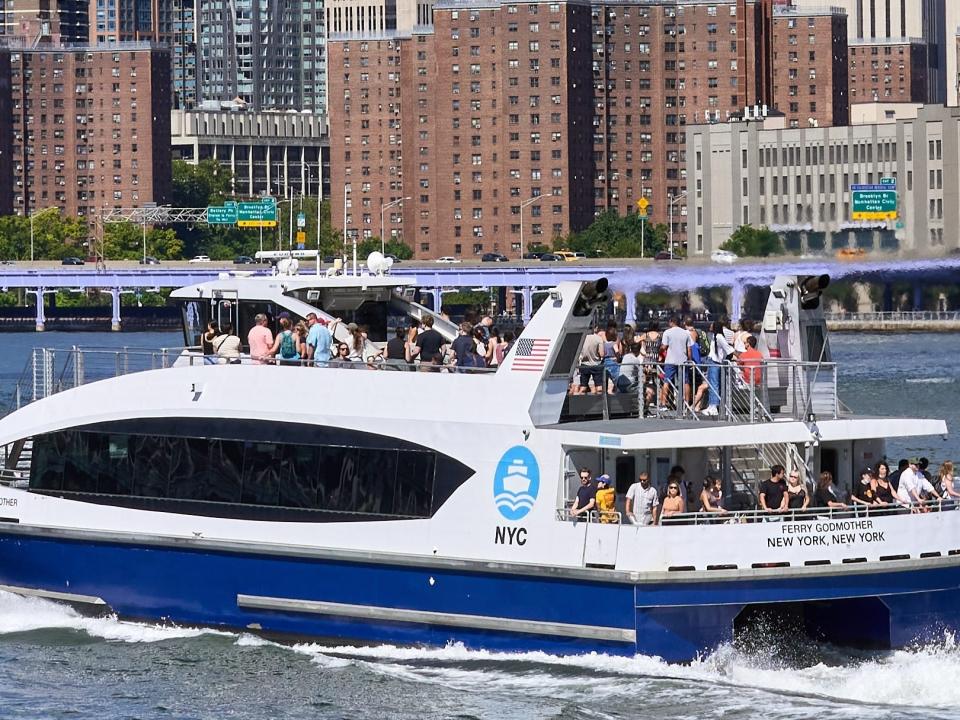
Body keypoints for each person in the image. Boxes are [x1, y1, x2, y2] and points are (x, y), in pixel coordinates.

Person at [696, 319, 735, 416]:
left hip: (715, 362)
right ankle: (711, 405)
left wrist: (726, 359)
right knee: (711, 384)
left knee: (714, 384)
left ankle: (714, 406)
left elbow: (729, 349)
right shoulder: (714, 336)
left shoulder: (719, 337)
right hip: (711, 361)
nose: (710, 326)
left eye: (712, 325)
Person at [659, 315, 692, 409]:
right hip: (683, 360)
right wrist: (689, 360)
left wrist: (659, 351)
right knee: (686, 382)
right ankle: (686, 404)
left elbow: (664, 347)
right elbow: (689, 349)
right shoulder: (686, 333)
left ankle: (663, 404)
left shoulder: (667, 332)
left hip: (670, 360)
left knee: (667, 381)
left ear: (671, 322)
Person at [576, 325, 605, 395]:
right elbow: (602, 354)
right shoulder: (598, 339)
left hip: (584, 364)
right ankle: (600, 404)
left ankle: (580, 403)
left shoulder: (582, 338)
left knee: (583, 387)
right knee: (599, 388)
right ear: (595, 328)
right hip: (596, 364)